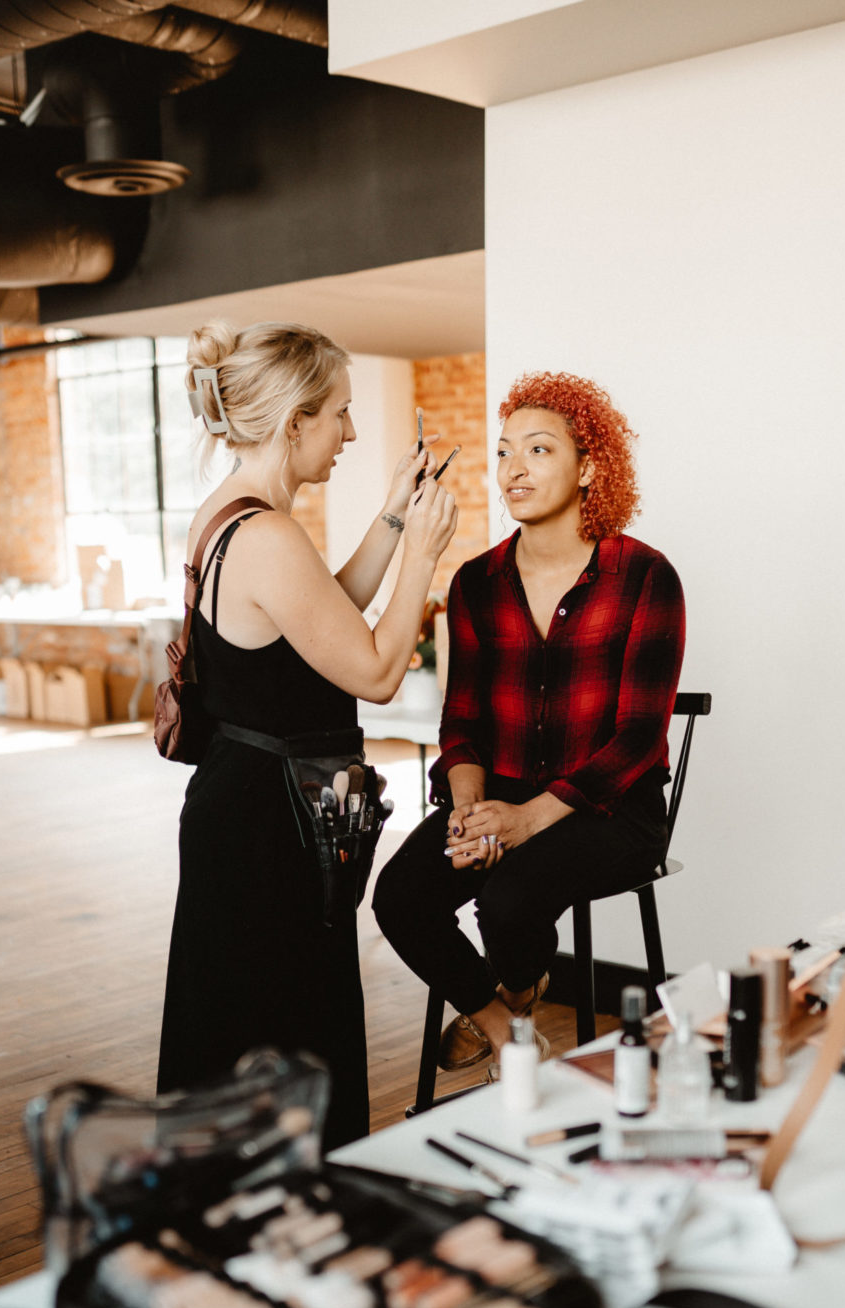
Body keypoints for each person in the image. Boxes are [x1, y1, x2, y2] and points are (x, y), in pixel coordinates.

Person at [157, 320, 457, 1148]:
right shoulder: (269, 536)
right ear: (295, 422)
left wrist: (392, 515)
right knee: (283, 1036)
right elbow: (376, 670)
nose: (350, 434)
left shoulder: (229, 516)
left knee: (238, 1033)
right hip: (270, 829)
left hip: (241, 808)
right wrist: (424, 556)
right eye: (339, 414)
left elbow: (323, 616)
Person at [373, 370, 685, 1076]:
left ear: (589, 468)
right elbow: (462, 719)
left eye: (539, 450)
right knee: (400, 894)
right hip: (502, 791)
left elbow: (638, 738)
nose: (513, 468)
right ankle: (506, 1030)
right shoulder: (475, 583)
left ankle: (517, 994)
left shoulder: (645, 576)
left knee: (506, 898)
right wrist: (469, 811)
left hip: (613, 809)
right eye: (505, 451)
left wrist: (523, 822)